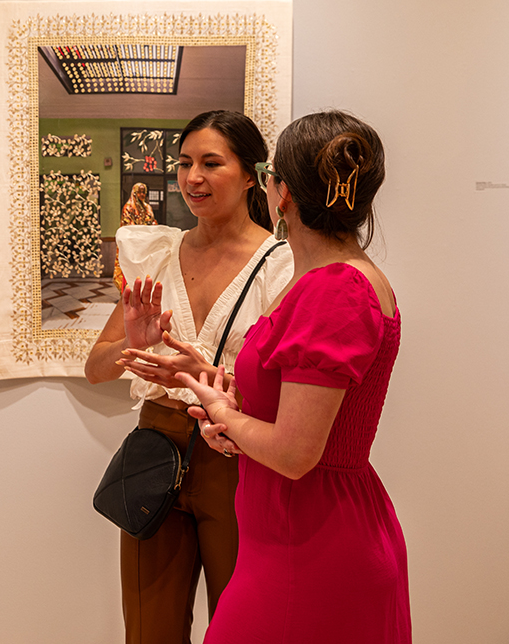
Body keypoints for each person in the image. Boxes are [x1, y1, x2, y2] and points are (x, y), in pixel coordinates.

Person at [122, 110, 411, 643]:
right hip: (297, 531)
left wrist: (222, 411)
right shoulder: (335, 280)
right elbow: (292, 406)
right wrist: (206, 379)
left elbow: (296, 452)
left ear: (280, 192)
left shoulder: (333, 288)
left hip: (307, 538)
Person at [86, 110, 293, 644]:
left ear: (251, 175)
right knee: (148, 630)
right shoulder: (156, 252)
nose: (192, 177)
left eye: (211, 163)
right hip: (156, 451)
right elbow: (96, 366)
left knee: (241, 627)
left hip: (238, 458)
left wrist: (207, 377)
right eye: (183, 163)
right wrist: (133, 345)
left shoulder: (281, 266)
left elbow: (287, 390)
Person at [113, 182, 158, 292]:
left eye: (144, 192)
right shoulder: (128, 207)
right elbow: (128, 227)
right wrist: (142, 231)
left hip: (146, 245)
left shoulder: (148, 208)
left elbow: (153, 222)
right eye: (140, 192)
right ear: (134, 193)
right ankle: (129, 292)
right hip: (133, 246)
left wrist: (152, 226)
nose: (142, 194)